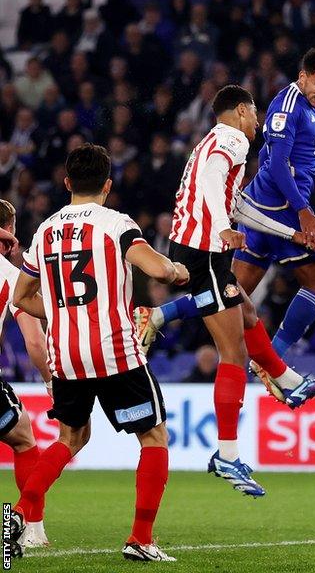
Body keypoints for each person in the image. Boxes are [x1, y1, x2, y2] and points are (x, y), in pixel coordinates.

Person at [137, 85, 315, 498]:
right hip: (204, 252)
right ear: (241, 111)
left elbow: (239, 206)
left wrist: (293, 234)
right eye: (255, 113)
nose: (258, 121)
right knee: (234, 353)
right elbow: (211, 181)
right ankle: (227, 453)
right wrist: (222, 228)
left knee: (247, 315)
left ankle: (289, 381)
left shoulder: (213, 140)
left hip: (205, 250)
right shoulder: (233, 139)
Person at [8, 144, 189, 561]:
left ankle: (19, 512)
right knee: (153, 437)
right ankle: (141, 539)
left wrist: (59, 309)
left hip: (66, 355)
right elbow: (158, 269)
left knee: (71, 438)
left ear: (67, 183)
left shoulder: (45, 230)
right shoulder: (116, 224)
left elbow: (23, 297)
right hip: (114, 351)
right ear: (108, 184)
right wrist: (179, 271)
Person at [144, 50, 315, 360]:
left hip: (262, 208)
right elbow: (277, 164)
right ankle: (274, 360)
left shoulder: (306, 106)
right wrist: (303, 209)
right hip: (283, 209)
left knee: (231, 294)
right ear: (302, 76)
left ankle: (161, 314)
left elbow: (272, 158)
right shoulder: (289, 105)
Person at [0, 200, 52, 548]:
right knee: (23, 439)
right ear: (11, 227)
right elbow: (35, 341)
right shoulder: (11, 275)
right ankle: (31, 528)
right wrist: (51, 382)